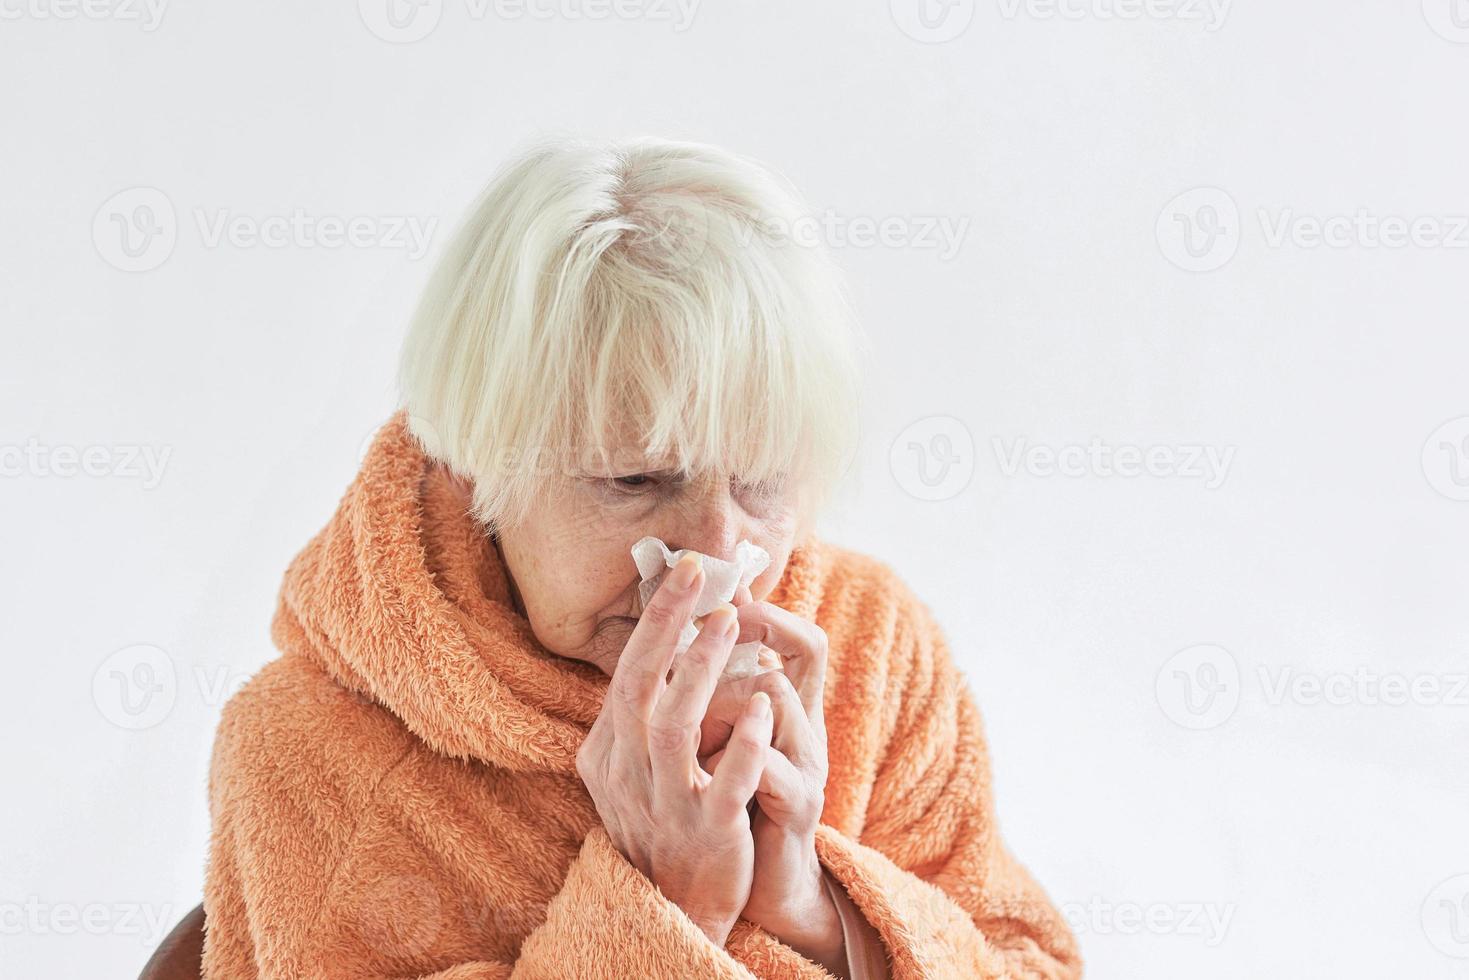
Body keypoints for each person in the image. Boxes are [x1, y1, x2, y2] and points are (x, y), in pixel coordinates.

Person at [201, 135, 1082, 979]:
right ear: (476, 468)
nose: (715, 558)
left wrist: (811, 908)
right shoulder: (310, 750)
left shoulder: (870, 648)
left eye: (764, 481)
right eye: (634, 478)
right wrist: (675, 908)